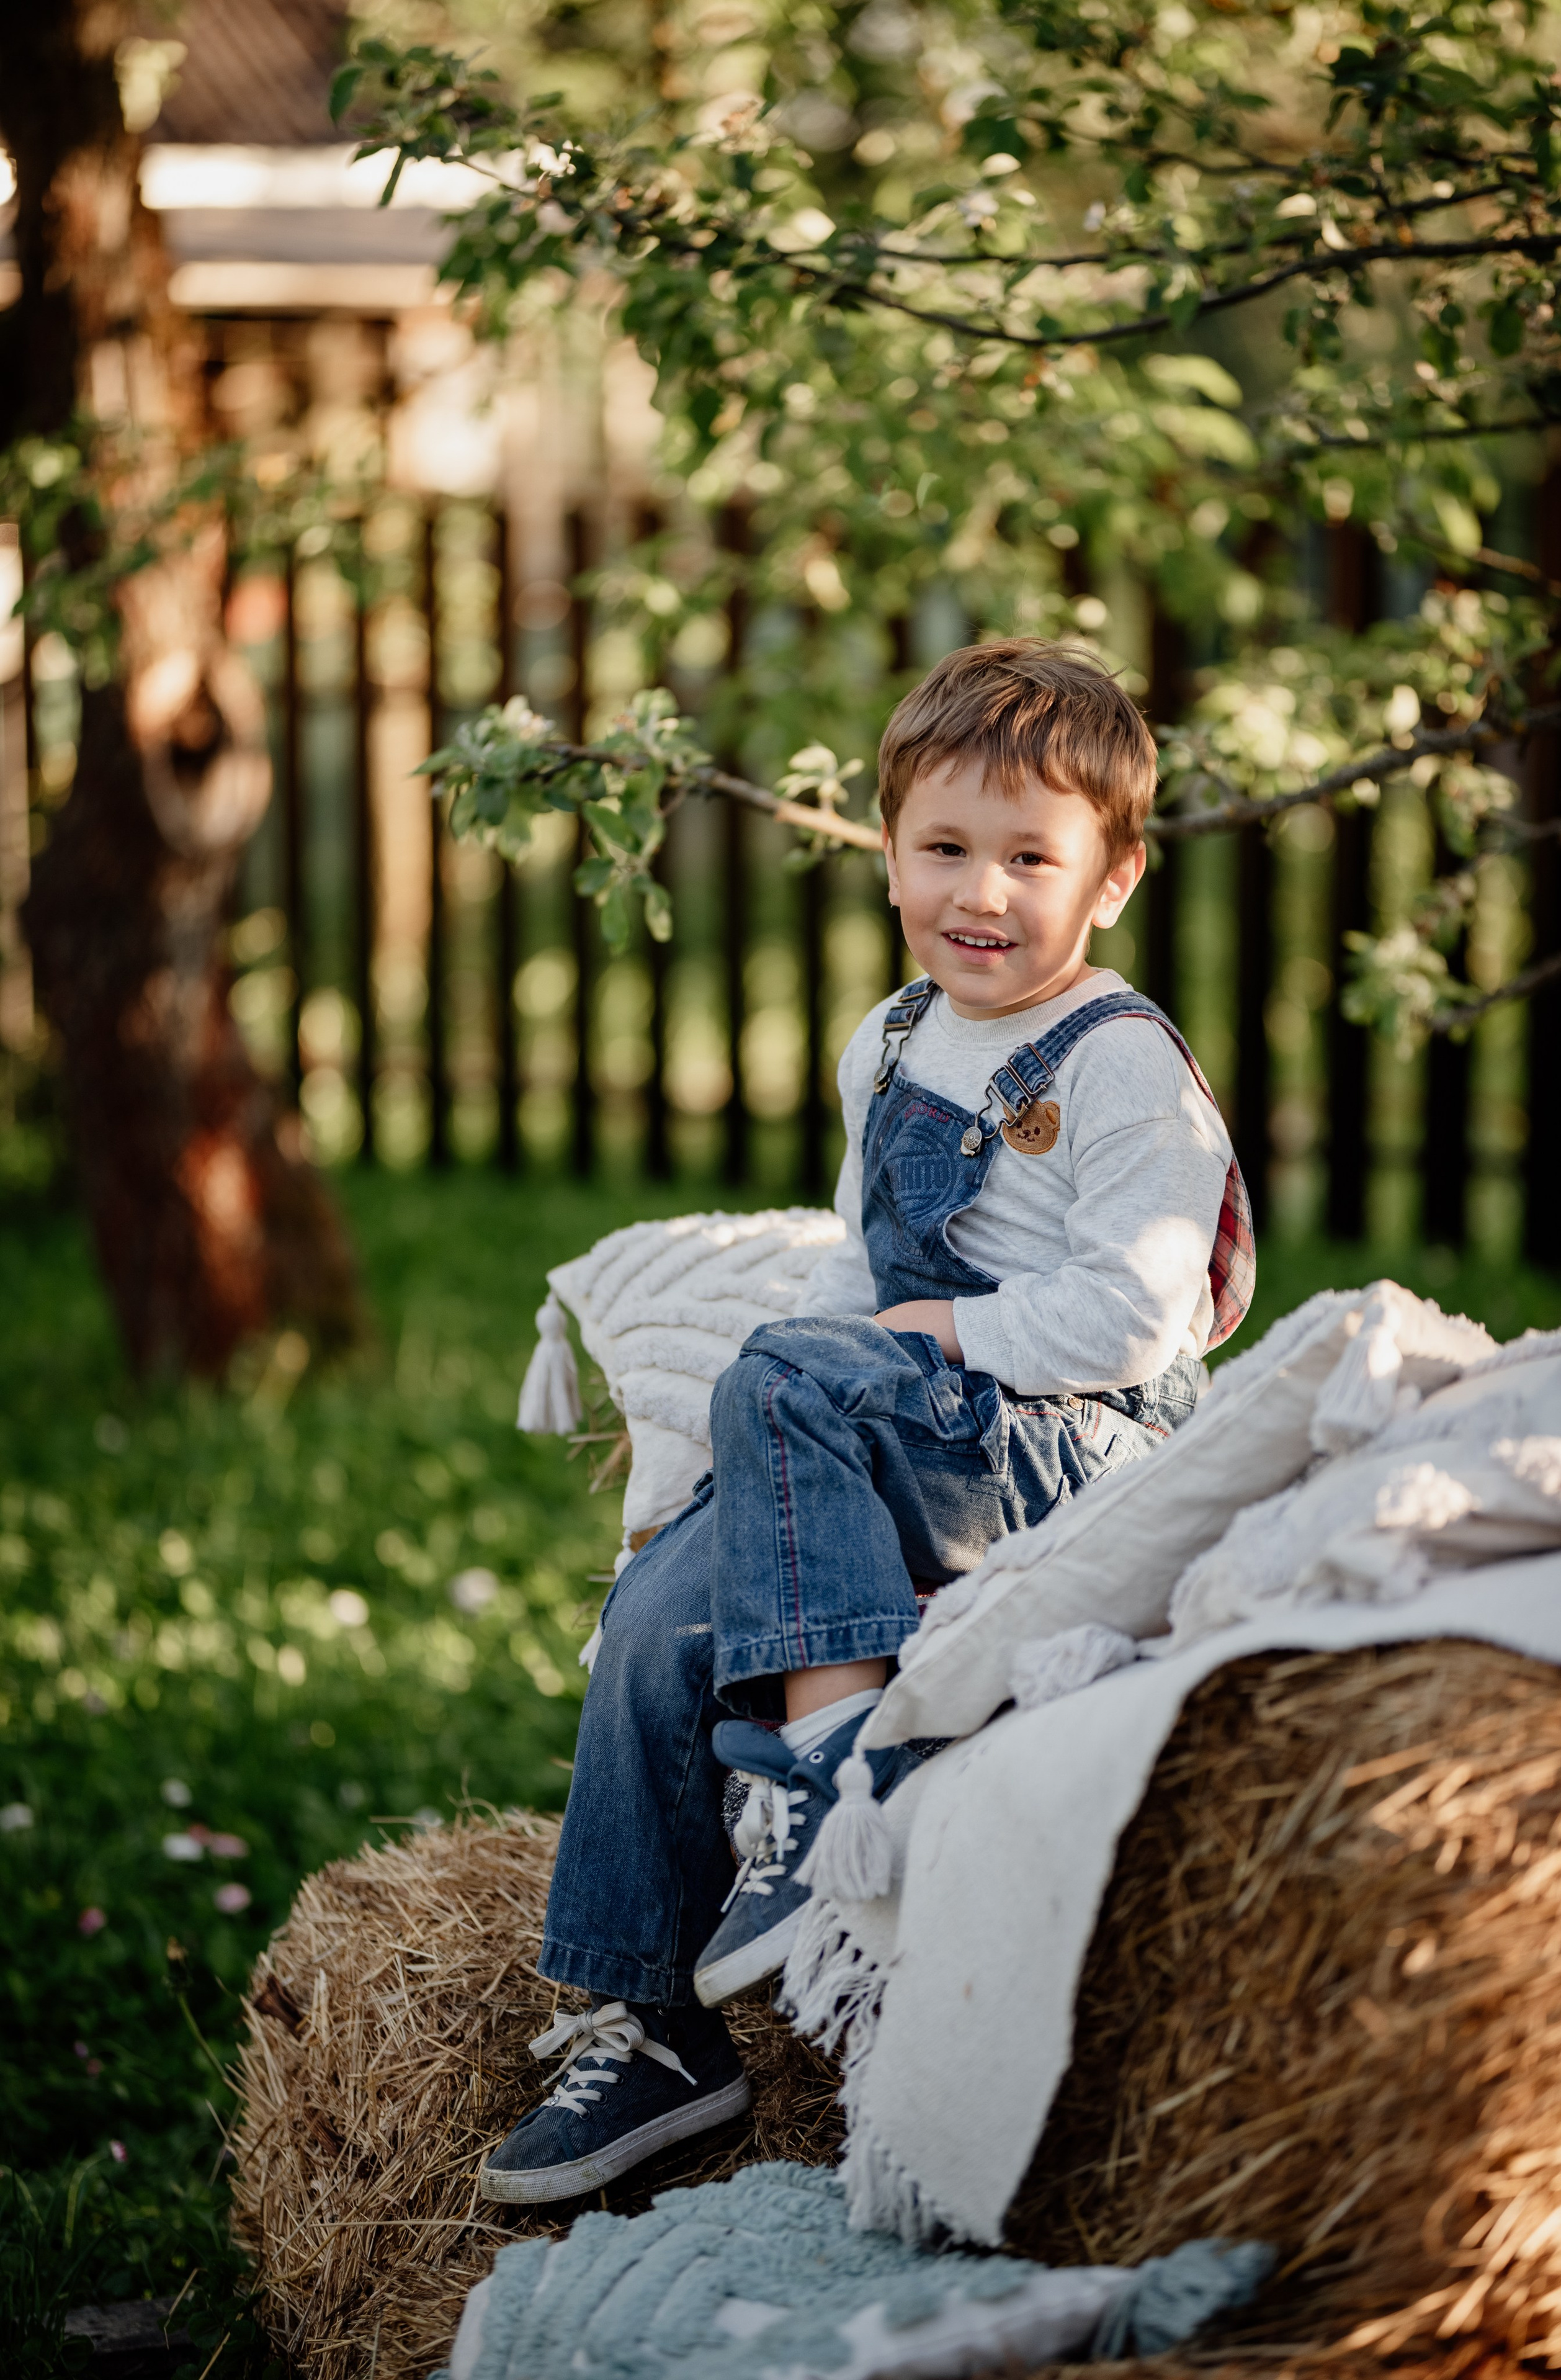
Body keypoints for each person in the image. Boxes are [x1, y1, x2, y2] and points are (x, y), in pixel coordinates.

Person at [479, 639, 1253, 2205]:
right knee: (653, 1618)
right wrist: (763, 1426)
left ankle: (828, 1772)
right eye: (943, 849)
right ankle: (651, 2028)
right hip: (911, 1426)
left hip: (1064, 1445)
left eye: (1030, 857)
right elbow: (861, 1262)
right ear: (888, 851)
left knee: (792, 1365)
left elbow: (1138, 1313)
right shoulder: (891, 1039)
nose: (981, 892)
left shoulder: (1122, 1071)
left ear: (1110, 879)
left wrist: (904, 1340)